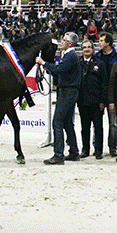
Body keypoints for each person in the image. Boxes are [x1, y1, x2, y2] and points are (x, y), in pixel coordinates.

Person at [37, 32, 81, 165]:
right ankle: (73, 152)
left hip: (67, 91)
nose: (62, 42)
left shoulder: (70, 55)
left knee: (57, 122)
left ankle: (58, 154)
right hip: (69, 91)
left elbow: (61, 69)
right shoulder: (69, 55)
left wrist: (43, 62)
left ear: (70, 43)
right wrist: (49, 68)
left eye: (64, 40)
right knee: (67, 123)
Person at [77, 40, 108, 159]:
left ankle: (98, 151)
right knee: (85, 127)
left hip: (96, 102)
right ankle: (85, 150)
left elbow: (104, 84)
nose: (87, 49)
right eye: (84, 47)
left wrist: (102, 101)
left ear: (93, 49)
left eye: (89, 47)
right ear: (82, 49)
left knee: (98, 127)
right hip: (82, 101)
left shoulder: (100, 64)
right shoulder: (78, 63)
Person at [95, 32, 117, 157]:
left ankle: (113, 147)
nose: (99, 43)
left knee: (113, 123)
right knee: (97, 122)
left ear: (108, 43)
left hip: (113, 94)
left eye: (101, 41)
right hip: (99, 93)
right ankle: (97, 147)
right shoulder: (96, 56)